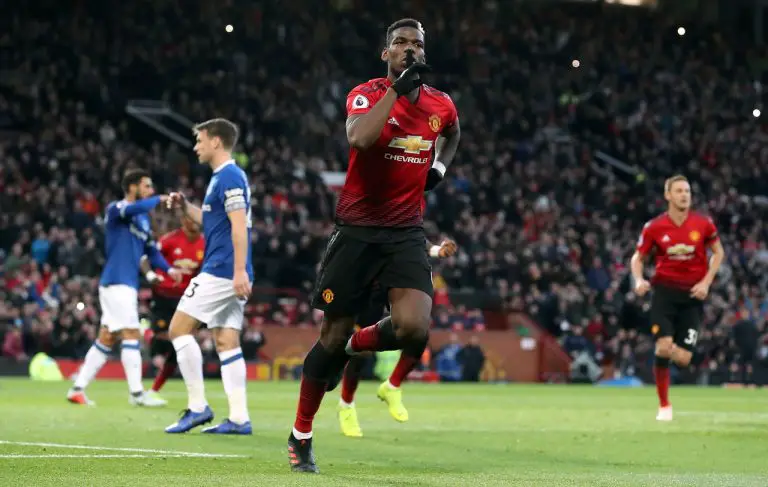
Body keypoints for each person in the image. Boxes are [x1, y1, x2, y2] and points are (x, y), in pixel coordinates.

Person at [287, 18, 460, 473]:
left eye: (416, 43)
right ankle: (301, 435)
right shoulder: (365, 94)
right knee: (330, 337)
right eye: (400, 43)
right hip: (357, 230)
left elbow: (453, 132)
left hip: (405, 231)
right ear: (386, 53)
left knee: (414, 329)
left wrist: (439, 170)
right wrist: (397, 91)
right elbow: (360, 139)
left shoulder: (441, 104)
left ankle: (352, 347)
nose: (409, 49)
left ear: (424, 52)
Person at [163, 118, 254, 435]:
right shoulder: (222, 177)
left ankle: (198, 407)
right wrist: (185, 206)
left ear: (216, 141)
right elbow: (211, 221)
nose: (196, 147)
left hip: (222, 270)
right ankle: (239, 419)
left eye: (200, 140)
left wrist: (239, 271)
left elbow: (239, 226)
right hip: (230, 269)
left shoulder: (229, 175)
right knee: (226, 341)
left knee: (178, 330)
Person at [66, 169, 183, 407]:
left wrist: (168, 269)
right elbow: (133, 209)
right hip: (117, 281)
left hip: (124, 284)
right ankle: (137, 394)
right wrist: (159, 199)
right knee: (131, 333)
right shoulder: (116, 209)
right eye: (146, 186)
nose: (150, 190)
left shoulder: (143, 221)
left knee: (107, 338)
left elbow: (151, 251)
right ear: (132, 187)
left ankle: (77, 389)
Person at [338, 238, 458, 438]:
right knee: (361, 353)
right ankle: (346, 404)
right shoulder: (366, 225)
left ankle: (392, 385)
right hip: (367, 284)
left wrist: (437, 251)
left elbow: (412, 235)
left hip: (396, 277)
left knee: (418, 332)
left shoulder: (402, 224)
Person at [630, 175, 725, 421]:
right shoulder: (654, 227)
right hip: (664, 294)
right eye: (679, 191)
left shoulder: (703, 224)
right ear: (668, 195)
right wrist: (639, 279)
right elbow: (638, 257)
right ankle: (664, 405)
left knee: (683, 359)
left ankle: (666, 353)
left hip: (692, 296)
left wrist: (706, 282)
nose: (684, 195)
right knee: (663, 347)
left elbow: (718, 253)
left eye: (687, 191)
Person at [140, 213, 205, 402]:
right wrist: (151, 275)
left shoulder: (205, 244)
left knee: (181, 345)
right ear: (183, 220)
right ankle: (148, 333)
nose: (195, 222)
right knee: (169, 338)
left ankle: (154, 390)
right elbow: (146, 258)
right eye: (191, 218)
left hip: (187, 299)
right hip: (163, 296)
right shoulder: (169, 240)